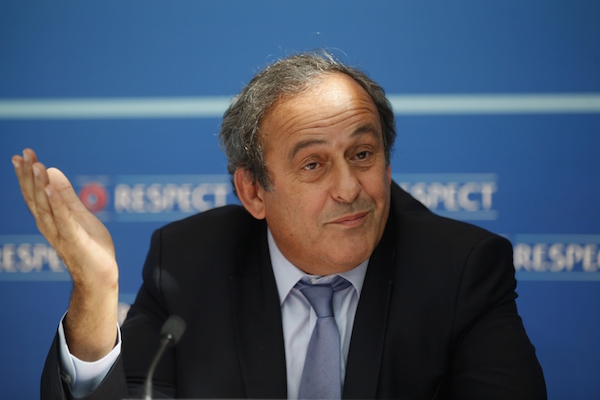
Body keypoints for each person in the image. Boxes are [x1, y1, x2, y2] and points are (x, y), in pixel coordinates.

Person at [12, 52, 546, 399]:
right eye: (313, 165)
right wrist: (96, 291)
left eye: (363, 154)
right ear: (252, 192)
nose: (350, 188)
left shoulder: (461, 269)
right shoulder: (187, 263)